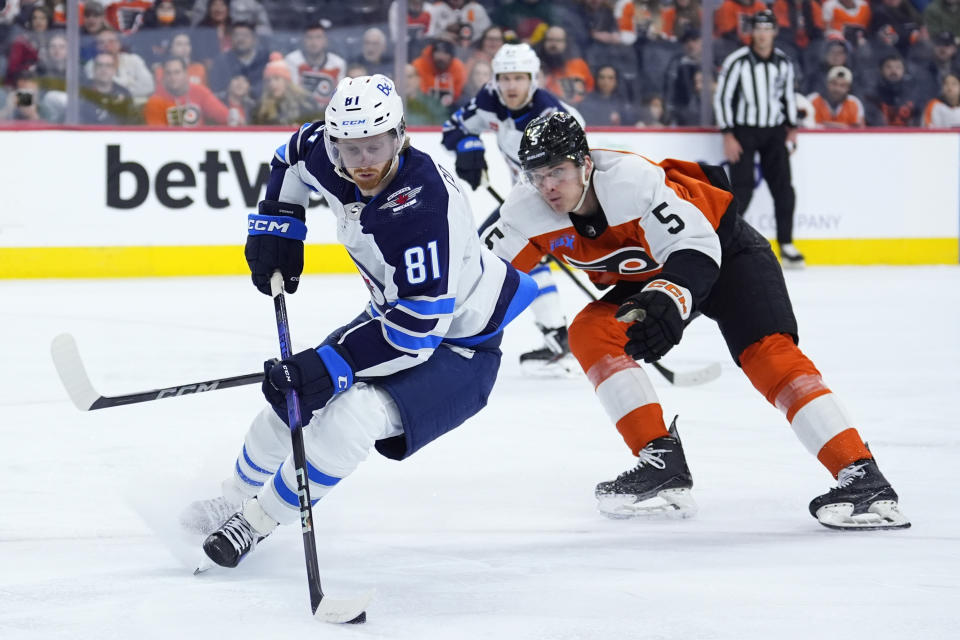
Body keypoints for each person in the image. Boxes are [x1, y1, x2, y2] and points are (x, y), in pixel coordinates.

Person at [489, 110, 910, 531]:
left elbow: (694, 245)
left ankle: (861, 475)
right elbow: (481, 279)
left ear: (584, 163)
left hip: (727, 255)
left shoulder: (630, 181)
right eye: (536, 174)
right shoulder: (525, 210)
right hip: (655, 274)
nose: (547, 185)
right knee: (591, 331)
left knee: (769, 355)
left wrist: (670, 297)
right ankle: (661, 462)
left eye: (557, 170)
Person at [180, 74, 538, 568]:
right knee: (294, 401)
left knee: (350, 418)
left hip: (461, 347)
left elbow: (417, 331)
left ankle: (255, 523)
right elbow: (289, 158)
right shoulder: (326, 152)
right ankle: (233, 498)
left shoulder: (422, 208)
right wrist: (280, 223)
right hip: (396, 317)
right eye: (350, 149)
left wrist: (330, 366)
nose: (364, 161)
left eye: (375, 146)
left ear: (400, 136)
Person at [442, 43, 583, 374]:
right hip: (526, 196)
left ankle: (468, 335)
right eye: (505, 78)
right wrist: (468, 145)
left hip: (562, 197)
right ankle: (556, 336)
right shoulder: (490, 99)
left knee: (489, 252)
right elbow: (455, 127)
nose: (511, 86)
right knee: (500, 253)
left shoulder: (552, 117)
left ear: (533, 79)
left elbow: (572, 173)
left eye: (519, 78)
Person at [714, 11, 804, 269]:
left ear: (775, 31)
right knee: (741, 189)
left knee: (784, 188)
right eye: (758, 28)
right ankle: (727, 244)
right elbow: (722, 99)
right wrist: (728, 134)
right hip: (744, 131)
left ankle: (786, 244)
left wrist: (792, 127)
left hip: (774, 131)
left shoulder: (783, 62)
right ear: (751, 32)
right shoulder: (738, 61)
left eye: (768, 29)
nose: (763, 34)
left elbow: (787, 96)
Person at [143, 55, 230, 125]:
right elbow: (157, 136)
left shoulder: (200, 92)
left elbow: (226, 117)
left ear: (186, 73)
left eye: (177, 72)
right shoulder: (155, 99)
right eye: (168, 73)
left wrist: (234, 117)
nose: (172, 77)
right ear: (164, 76)